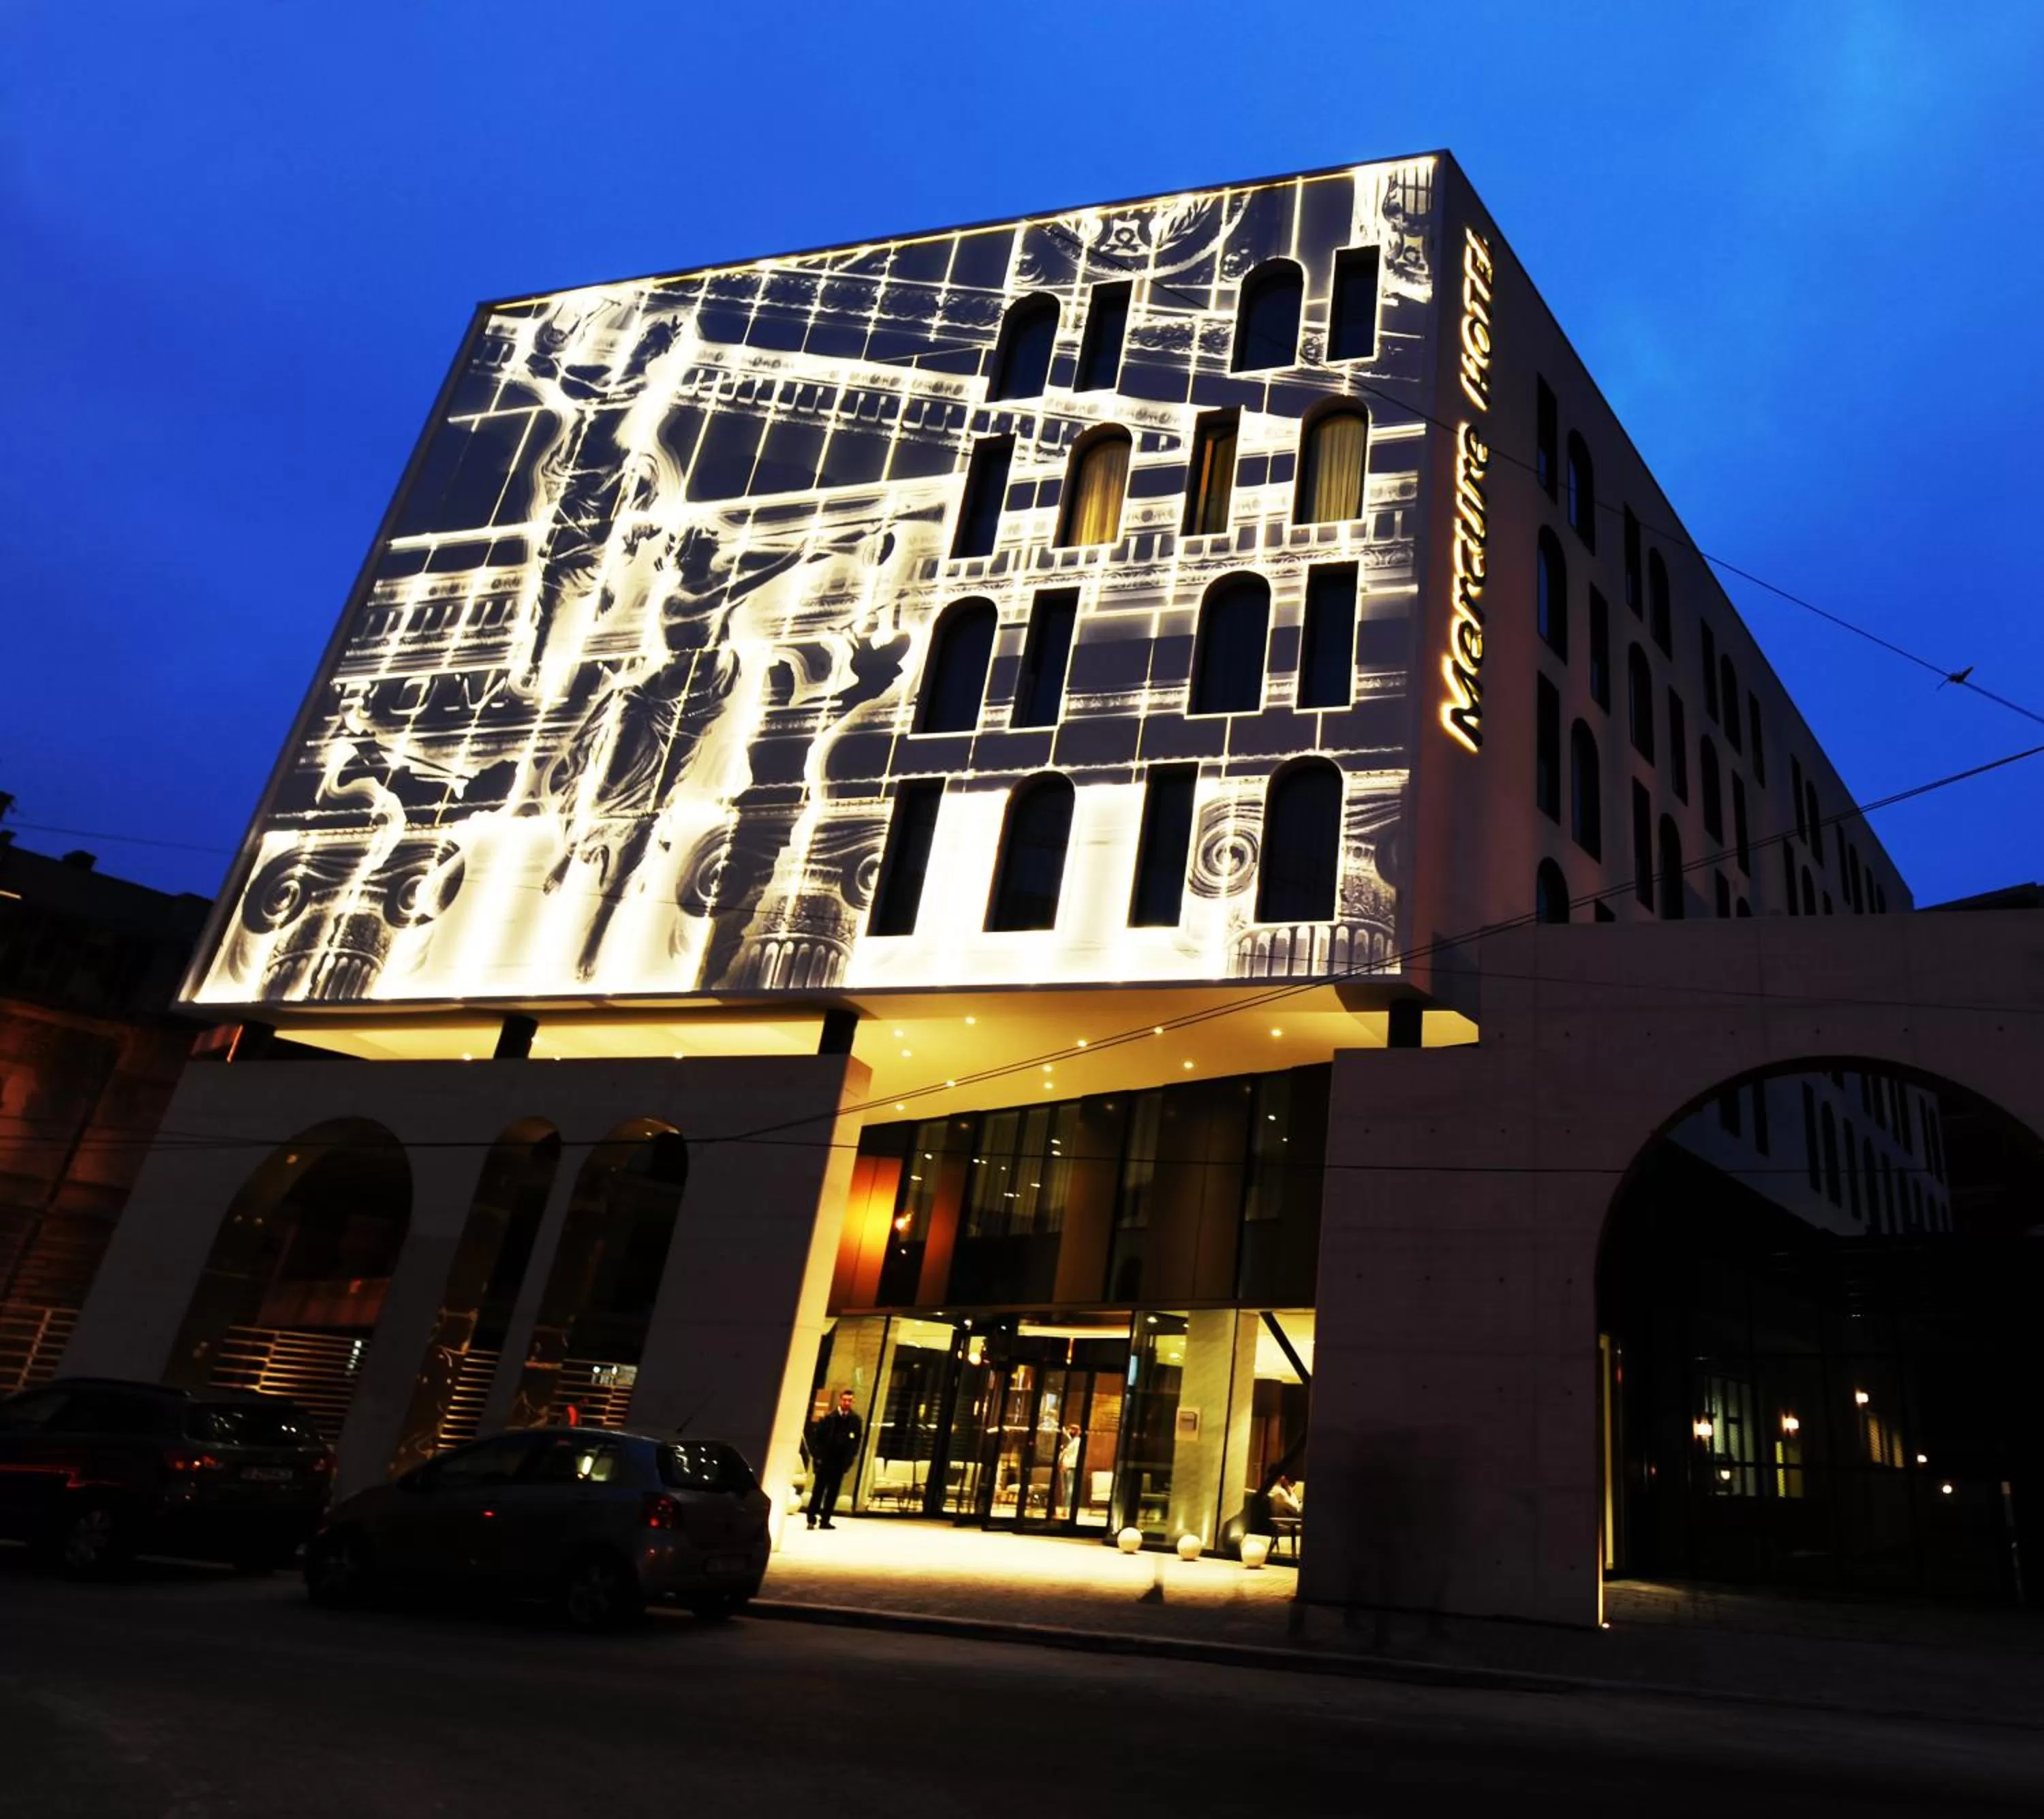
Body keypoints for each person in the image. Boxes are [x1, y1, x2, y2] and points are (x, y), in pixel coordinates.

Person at [806, 1389, 863, 1529]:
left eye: (850, 1400)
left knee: (833, 1492)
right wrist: (818, 1458)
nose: (847, 1403)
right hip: (825, 1461)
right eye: (845, 1400)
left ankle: (825, 1519)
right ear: (840, 1400)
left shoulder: (855, 1420)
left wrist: (849, 1461)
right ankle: (811, 1518)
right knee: (818, 1490)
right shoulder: (829, 1418)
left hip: (840, 1462)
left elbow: (856, 1443)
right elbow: (816, 1439)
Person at [1053, 1423, 1083, 1520]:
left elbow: (1076, 1456)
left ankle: (1067, 1509)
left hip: (1070, 1466)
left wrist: (1068, 1465)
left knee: (1069, 1488)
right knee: (1064, 1489)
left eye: (1074, 1429)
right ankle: (1064, 1508)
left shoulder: (1077, 1441)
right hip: (1064, 1465)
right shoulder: (1071, 1441)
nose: (1071, 1431)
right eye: (1071, 1429)